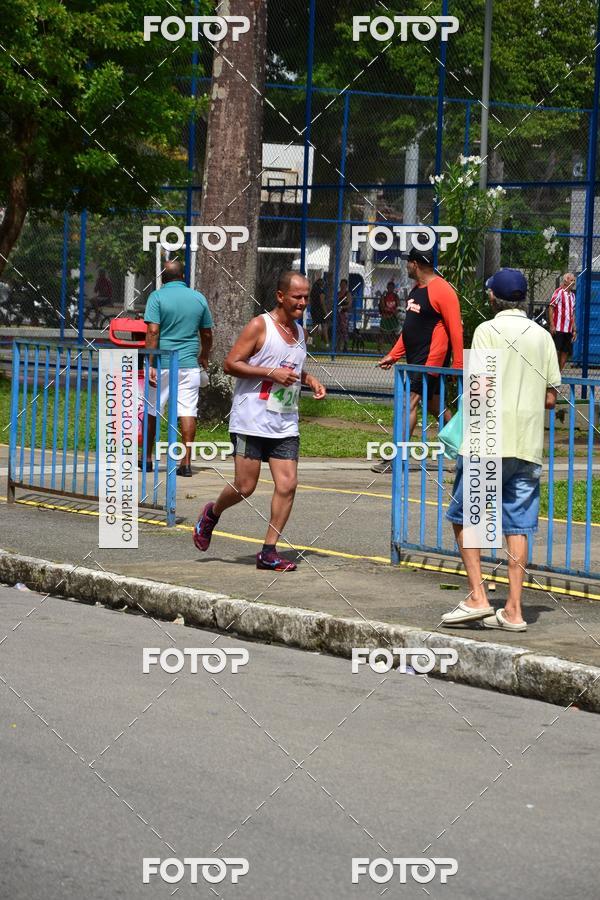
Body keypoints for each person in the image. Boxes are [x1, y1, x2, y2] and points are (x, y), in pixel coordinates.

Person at [441, 268, 561, 631]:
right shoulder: (543, 337)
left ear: (493, 298)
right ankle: (514, 610)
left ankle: (478, 596)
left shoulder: (486, 331)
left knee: (466, 517)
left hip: (487, 439)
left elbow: (478, 390)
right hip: (526, 443)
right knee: (518, 525)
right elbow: (551, 398)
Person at [193, 271, 326, 571]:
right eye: (297, 297)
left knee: (288, 484)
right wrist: (270, 373)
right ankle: (212, 513)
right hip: (251, 419)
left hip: (284, 421)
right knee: (245, 486)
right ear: (281, 296)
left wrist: (310, 379)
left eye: (306, 297)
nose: (303, 302)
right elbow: (230, 364)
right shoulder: (259, 325)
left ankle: (269, 550)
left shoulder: (301, 333)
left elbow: (290, 368)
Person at [372, 245, 463, 473]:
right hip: (415, 359)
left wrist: (458, 366)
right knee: (436, 407)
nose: (406, 265)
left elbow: (456, 330)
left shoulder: (442, 290)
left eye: (408, 262)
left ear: (416, 264)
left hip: (429, 360)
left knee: (408, 403)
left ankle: (397, 459)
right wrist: (394, 355)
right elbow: (409, 329)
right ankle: (466, 452)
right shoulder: (417, 289)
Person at [143, 259, 213, 477]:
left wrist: (150, 362)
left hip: (163, 363)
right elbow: (207, 333)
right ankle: (186, 463)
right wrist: (203, 355)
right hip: (189, 365)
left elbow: (153, 332)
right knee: (188, 411)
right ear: (183, 276)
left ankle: (146, 459)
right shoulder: (198, 298)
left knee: (152, 409)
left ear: (163, 278)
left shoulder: (157, 297)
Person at [549, 272, 576, 371]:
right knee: (557, 350)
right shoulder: (558, 292)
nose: (573, 282)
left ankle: (559, 372)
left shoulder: (572, 296)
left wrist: (574, 329)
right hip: (558, 327)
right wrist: (552, 324)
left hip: (568, 328)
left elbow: (572, 313)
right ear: (565, 281)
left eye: (574, 280)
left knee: (565, 351)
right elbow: (551, 307)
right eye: (571, 280)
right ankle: (553, 371)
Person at [377, 281, 400, 351]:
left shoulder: (396, 296)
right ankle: (379, 349)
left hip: (393, 317)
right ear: (387, 287)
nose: (390, 288)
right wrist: (391, 310)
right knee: (382, 334)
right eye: (389, 287)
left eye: (392, 287)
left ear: (393, 288)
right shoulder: (384, 296)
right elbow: (383, 307)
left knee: (394, 335)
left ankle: (393, 350)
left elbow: (398, 307)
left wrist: (393, 312)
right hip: (385, 317)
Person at [309, 276, 328, 346]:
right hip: (320, 310)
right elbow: (322, 302)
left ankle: (313, 342)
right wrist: (325, 312)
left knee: (315, 326)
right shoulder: (321, 291)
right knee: (324, 326)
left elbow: (311, 301)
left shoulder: (313, 291)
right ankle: (327, 342)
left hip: (314, 309)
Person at [336, 278, 352, 352]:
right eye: (341, 284)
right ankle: (338, 346)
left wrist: (342, 307)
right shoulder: (338, 293)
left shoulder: (347, 294)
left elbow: (349, 304)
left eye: (344, 284)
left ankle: (345, 346)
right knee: (338, 330)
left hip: (344, 313)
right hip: (338, 314)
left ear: (346, 285)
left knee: (344, 330)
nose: (342, 286)